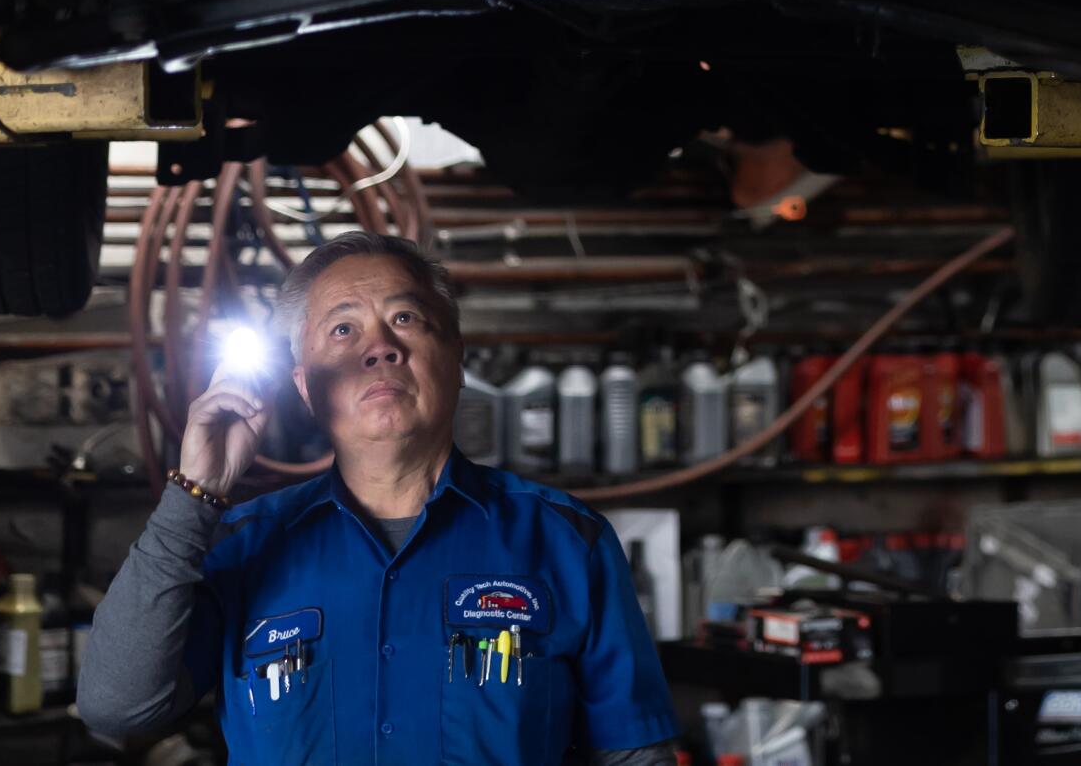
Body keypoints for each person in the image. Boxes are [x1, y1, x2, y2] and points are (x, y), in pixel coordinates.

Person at [78, 231, 679, 764]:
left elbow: (634, 754)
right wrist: (194, 494)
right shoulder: (242, 546)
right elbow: (116, 708)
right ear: (303, 387)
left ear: (457, 357)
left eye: (407, 320)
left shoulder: (569, 540)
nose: (380, 348)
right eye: (343, 329)